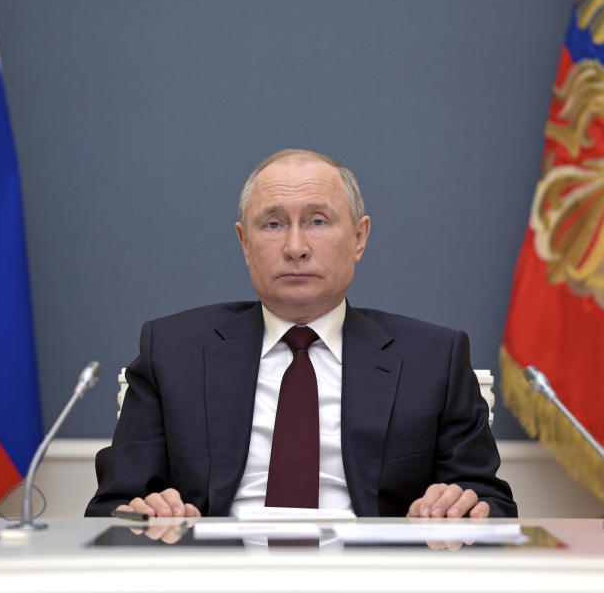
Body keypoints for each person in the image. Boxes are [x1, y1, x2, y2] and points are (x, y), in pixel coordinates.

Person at [85, 149, 516, 520]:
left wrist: (462, 506)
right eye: (272, 224)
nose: (295, 247)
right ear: (244, 243)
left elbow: (491, 502)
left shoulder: (432, 359)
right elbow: (113, 504)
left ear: (360, 238)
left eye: (317, 221)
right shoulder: (174, 352)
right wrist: (148, 512)